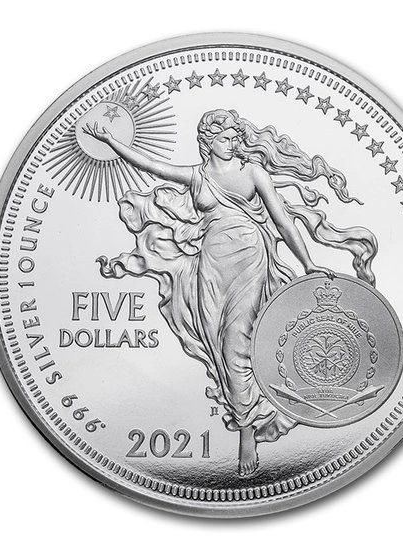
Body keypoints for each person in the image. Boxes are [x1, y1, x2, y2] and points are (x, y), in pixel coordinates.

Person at [84, 109, 377, 476]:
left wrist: (307, 263)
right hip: (210, 266)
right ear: (208, 142)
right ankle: (248, 413)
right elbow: (152, 165)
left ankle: (246, 432)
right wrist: (112, 142)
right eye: (225, 138)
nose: (233, 144)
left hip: (249, 258)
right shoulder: (197, 176)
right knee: (216, 341)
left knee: (236, 342)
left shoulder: (253, 173)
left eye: (235, 138)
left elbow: (283, 221)